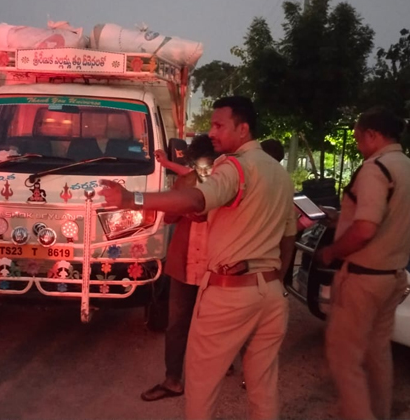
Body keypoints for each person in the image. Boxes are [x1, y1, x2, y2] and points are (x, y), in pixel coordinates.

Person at [99, 96, 296, 420]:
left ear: (243, 129)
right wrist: (276, 281)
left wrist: (131, 199)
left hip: (231, 291)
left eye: (219, 125)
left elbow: (195, 198)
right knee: (263, 386)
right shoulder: (279, 173)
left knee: (202, 385)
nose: (212, 131)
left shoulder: (233, 166)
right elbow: (287, 237)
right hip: (271, 293)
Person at [315, 107, 410, 420]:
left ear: (373, 135)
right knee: (378, 353)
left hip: (363, 280)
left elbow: (365, 230)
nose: (358, 145)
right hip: (392, 277)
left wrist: (333, 251)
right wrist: (342, 219)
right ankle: (379, 413)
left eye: (358, 138)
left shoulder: (376, 168)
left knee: (343, 358)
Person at [141, 135, 218, 402]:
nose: (204, 169)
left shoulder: (228, 183)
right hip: (188, 263)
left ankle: (187, 378)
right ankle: (174, 379)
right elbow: (169, 215)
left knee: (206, 325)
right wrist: (187, 209)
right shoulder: (186, 181)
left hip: (217, 266)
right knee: (179, 325)